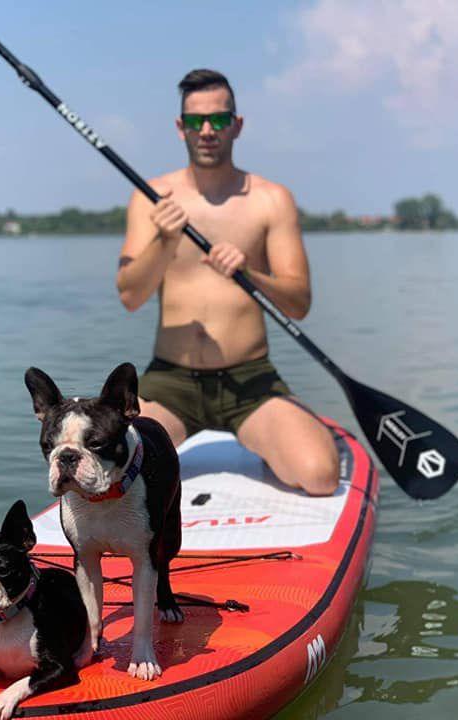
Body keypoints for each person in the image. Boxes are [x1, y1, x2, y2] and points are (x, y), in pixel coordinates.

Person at [116, 69, 339, 496]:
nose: (207, 131)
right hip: (170, 383)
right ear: (180, 127)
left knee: (320, 476)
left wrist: (249, 274)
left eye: (218, 120)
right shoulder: (152, 197)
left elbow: (299, 303)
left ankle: (295, 431)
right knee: (116, 471)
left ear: (236, 125)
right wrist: (164, 241)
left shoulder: (271, 199)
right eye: (196, 120)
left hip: (249, 382)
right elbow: (129, 295)